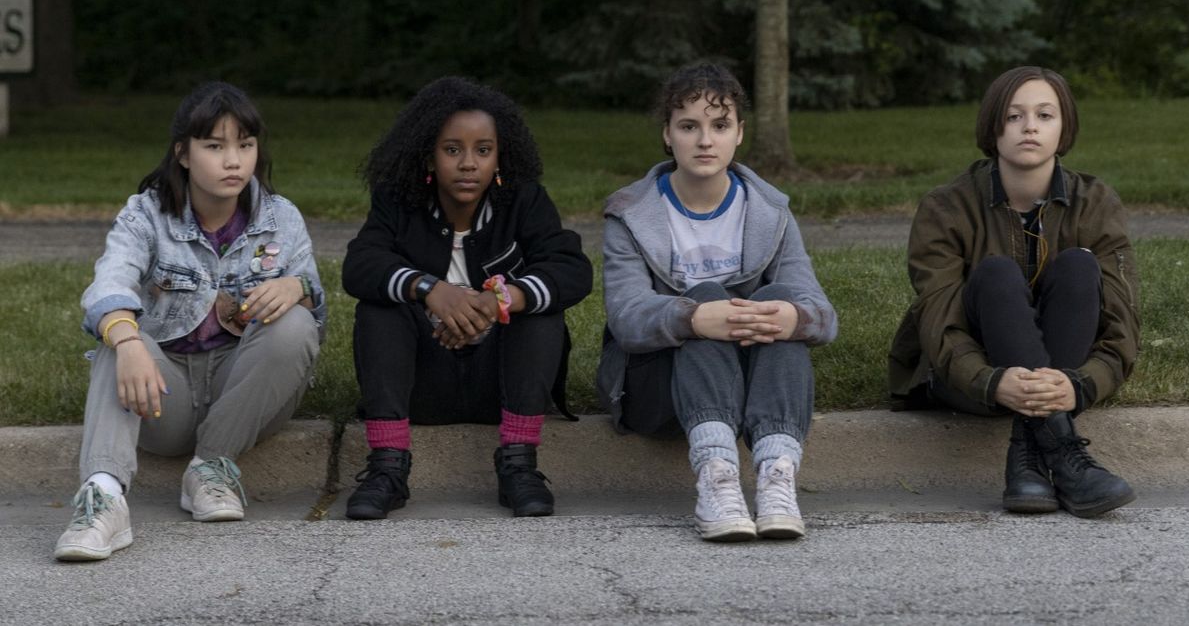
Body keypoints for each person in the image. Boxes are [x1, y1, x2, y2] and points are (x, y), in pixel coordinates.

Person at [54, 82, 325, 561]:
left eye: (245, 145)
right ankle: (104, 501)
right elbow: (109, 284)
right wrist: (129, 340)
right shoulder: (146, 214)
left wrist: (297, 287)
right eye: (215, 146)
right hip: (163, 396)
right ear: (183, 153)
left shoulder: (280, 217)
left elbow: (314, 320)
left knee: (295, 324)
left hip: (242, 392)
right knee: (116, 340)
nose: (234, 161)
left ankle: (211, 467)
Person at [597, 63, 838, 542]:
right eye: (689, 126)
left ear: (739, 134)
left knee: (779, 303)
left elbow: (822, 315)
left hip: (750, 388)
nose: (705, 140)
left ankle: (776, 478)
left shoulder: (770, 211)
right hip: (657, 392)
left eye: (720, 125)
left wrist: (793, 317)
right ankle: (716, 478)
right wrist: (696, 317)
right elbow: (626, 318)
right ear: (668, 135)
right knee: (704, 297)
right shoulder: (630, 213)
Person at [889, 66, 1138, 518]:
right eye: (1013, 116)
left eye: (1045, 115)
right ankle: (1066, 457)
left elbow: (1123, 322)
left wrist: (1078, 385)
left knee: (1080, 266)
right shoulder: (945, 208)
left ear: (1064, 129)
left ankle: (1027, 455)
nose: (1029, 127)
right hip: (970, 379)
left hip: (1066, 369)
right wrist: (992, 381)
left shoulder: (1097, 203)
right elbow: (937, 320)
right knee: (997, 274)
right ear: (992, 127)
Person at [341, 77, 592, 520]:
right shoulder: (397, 202)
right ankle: (388, 468)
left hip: (502, 382)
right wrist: (431, 290)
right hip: (423, 382)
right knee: (378, 306)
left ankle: (519, 466)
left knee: (539, 310)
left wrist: (502, 300)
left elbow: (572, 268)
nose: (468, 163)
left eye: (483, 149)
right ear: (429, 156)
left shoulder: (524, 201)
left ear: (500, 155)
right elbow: (360, 265)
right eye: (452, 149)